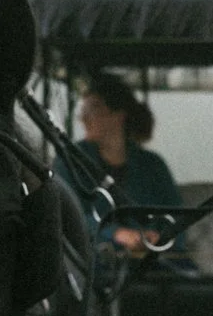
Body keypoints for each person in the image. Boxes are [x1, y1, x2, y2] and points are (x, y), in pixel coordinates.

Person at [68, 69, 189, 265]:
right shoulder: (71, 159)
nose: (84, 118)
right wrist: (116, 234)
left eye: (94, 109)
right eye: (84, 110)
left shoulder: (152, 165)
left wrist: (157, 238)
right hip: (93, 265)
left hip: (152, 264)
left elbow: (176, 217)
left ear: (118, 116)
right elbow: (68, 215)